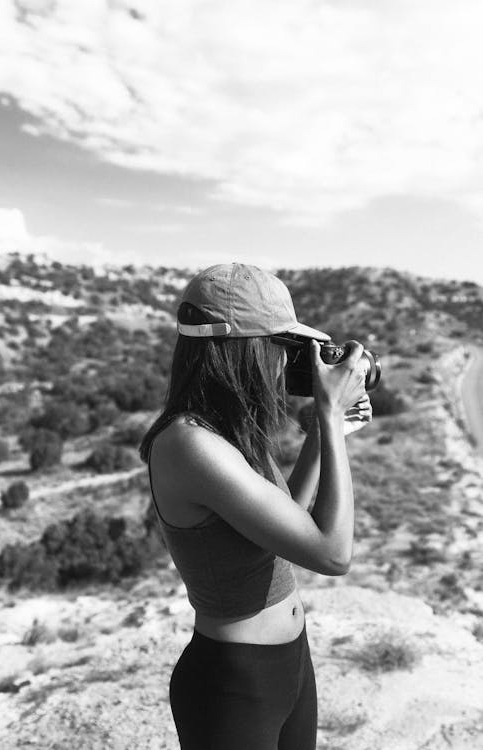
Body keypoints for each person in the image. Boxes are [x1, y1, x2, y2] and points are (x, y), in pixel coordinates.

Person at [139, 262, 372, 750]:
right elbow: (332, 554)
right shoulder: (188, 444)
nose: (289, 364)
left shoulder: (230, 429)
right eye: (283, 348)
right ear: (244, 351)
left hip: (288, 664)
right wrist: (327, 417)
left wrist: (327, 434)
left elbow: (295, 523)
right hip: (233, 686)